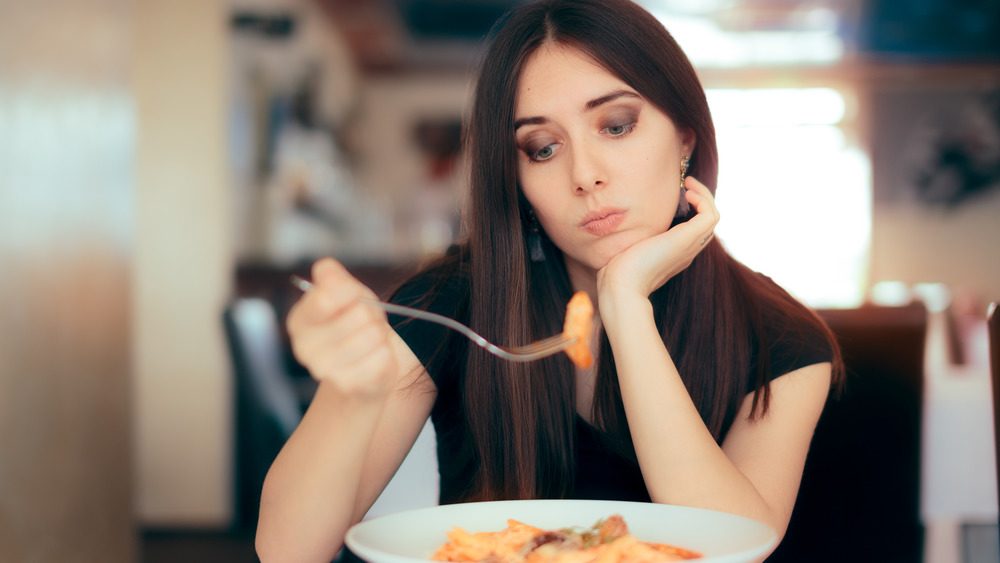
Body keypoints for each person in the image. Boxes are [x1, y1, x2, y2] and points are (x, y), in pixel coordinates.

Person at [255, 0, 843, 561]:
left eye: (616, 126)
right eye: (542, 148)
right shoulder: (454, 298)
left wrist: (625, 302)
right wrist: (349, 394)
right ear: (517, 179)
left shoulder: (783, 339)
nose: (585, 174)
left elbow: (732, 546)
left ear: (685, 139)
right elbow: (287, 551)